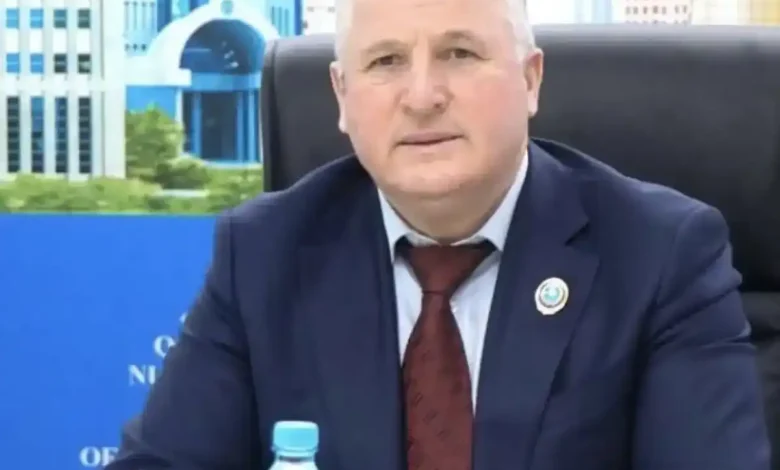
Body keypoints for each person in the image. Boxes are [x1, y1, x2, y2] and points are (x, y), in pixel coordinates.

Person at [108, 0, 771, 468]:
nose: (422, 96)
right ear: (342, 97)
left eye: (459, 53)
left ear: (530, 80)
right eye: (386, 61)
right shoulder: (264, 253)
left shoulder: (659, 254)